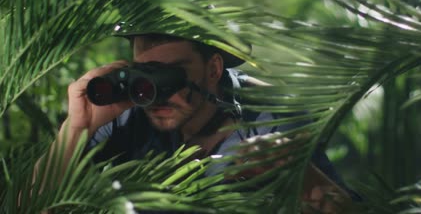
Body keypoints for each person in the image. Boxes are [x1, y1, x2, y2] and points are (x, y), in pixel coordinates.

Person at [50, 26, 353, 213]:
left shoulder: (271, 113)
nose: (156, 95)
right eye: (146, 73)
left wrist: (299, 175)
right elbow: (30, 205)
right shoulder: (127, 113)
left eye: (170, 75)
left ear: (213, 69)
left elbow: (346, 207)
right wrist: (77, 127)